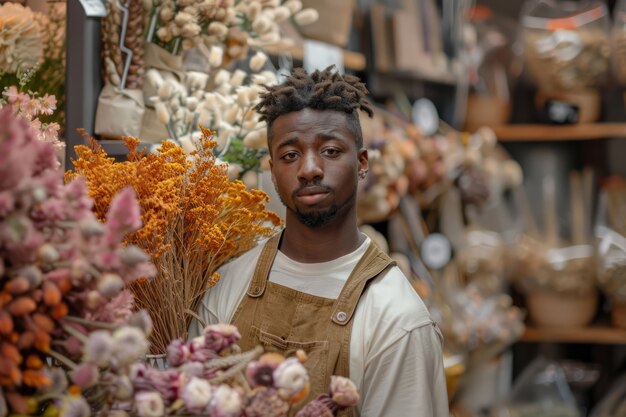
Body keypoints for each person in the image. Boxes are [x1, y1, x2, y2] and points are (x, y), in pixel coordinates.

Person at [191, 67, 449, 416]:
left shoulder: (396, 319)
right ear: (272, 169)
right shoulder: (228, 285)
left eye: (329, 151)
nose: (309, 169)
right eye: (290, 155)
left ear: (361, 163)